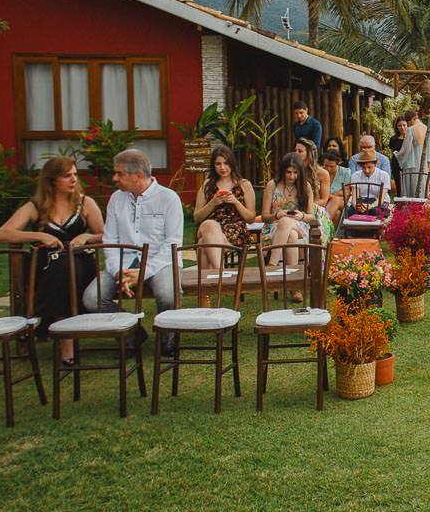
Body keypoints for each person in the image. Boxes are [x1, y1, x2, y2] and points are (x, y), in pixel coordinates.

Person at [0, 156, 104, 363]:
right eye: (66, 176)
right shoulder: (36, 206)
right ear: (52, 180)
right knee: (59, 270)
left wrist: (86, 236)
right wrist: (39, 235)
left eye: (75, 175)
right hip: (46, 266)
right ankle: (66, 339)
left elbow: (106, 235)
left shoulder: (85, 202)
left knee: (66, 269)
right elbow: (3, 233)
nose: (73, 180)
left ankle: (64, 336)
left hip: (79, 262)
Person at [84, 149, 184, 355]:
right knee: (91, 298)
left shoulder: (169, 198)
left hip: (161, 262)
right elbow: (109, 240)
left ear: (138, 175)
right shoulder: (116, 199)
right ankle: (132, 333)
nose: (114, 178)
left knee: (168, 294)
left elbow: (172, 244)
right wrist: (119, 272)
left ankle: (168, 338)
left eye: (119, 173)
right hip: (123, 262)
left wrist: (142, 273)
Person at [192, 145, 256, 278]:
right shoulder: (207, 185)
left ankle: (205, 293)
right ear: (213, 166)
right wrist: (213, 203)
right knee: (209, 224)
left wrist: (235, 202)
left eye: (226, 163)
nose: (222, 167)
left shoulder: (244, 184)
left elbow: (250, 218)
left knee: (202, 243)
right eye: (218, 164)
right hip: (208, 226)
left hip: (235, 229)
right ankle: (220, 273)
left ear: (232, 163)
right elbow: (197, 217)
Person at [262, 152, 316, 272]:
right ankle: (294, 287)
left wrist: (301, 215)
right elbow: (264, 217)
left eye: (295, 173)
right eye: (288, 172)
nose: (292, 176)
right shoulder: (272, 185)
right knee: (291, 235)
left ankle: (272, 265)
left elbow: (311, 216)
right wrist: (276, 215)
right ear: (283, 171)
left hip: (300, 225)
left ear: (300, 172)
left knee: (287, 221)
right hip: (274, 226)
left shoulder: (305, 186)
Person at [293, 137, 333, 243]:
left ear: (309, 154)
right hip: (295, 207)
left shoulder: (322, 173)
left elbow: (324, 200)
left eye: (300, 151)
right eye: (295, 150)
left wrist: (307, 205)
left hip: (315, 209)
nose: (296, 153)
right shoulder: (292, 172)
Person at [348, 147, 392, 218]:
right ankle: (355, 228)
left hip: (379, 202)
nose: (366, 170)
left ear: (376, 164)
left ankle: (374, 228)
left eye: (369, 167)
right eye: (363, 167)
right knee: (350, 211)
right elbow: (355, 197)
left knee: (375, 211)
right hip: (362, 201)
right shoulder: (355, 175)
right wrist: (357, 206)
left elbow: (381, 198)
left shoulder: (384, 175)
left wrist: (371, 206)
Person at [395, 109, 427, 197]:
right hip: (422, 160)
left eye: (407, 122)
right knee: (422, 181)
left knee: (412, 182)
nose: (407, 124)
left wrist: (398, 155)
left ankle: (411, 204)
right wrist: (428, 160)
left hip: (411, 162)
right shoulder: (426, 128)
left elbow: (406, 148)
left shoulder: (410, 129)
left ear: (413, 119)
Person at [322, 150, 353, 225]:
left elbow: (346, 194)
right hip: (325, 203)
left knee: (336, 200)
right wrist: (336, 194)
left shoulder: (346, 172)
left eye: (331, 166)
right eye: (325, 165)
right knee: (337, 214)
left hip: (343, 202)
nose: (328, 169)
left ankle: (322, 226)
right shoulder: (320, 172)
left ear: (338, 163)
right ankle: (331, 235)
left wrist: (328, 195)